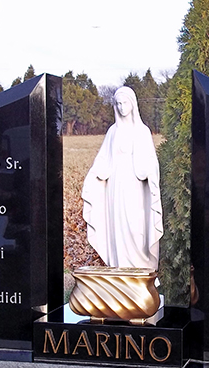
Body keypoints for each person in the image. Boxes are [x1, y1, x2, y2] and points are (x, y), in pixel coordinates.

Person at [81, 86, 163, 270]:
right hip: (115, 187)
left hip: (136, 186)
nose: (121, 107)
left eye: (125, 103)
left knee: (136, 227)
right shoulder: (113, 132)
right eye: (118, 104)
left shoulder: (142, 131)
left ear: (133, 104)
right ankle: (120, 268)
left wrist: (148, 171)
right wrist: (94, 173)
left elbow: (151, 160)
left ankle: (141, 267)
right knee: (117, 226)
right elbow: (103, 159)